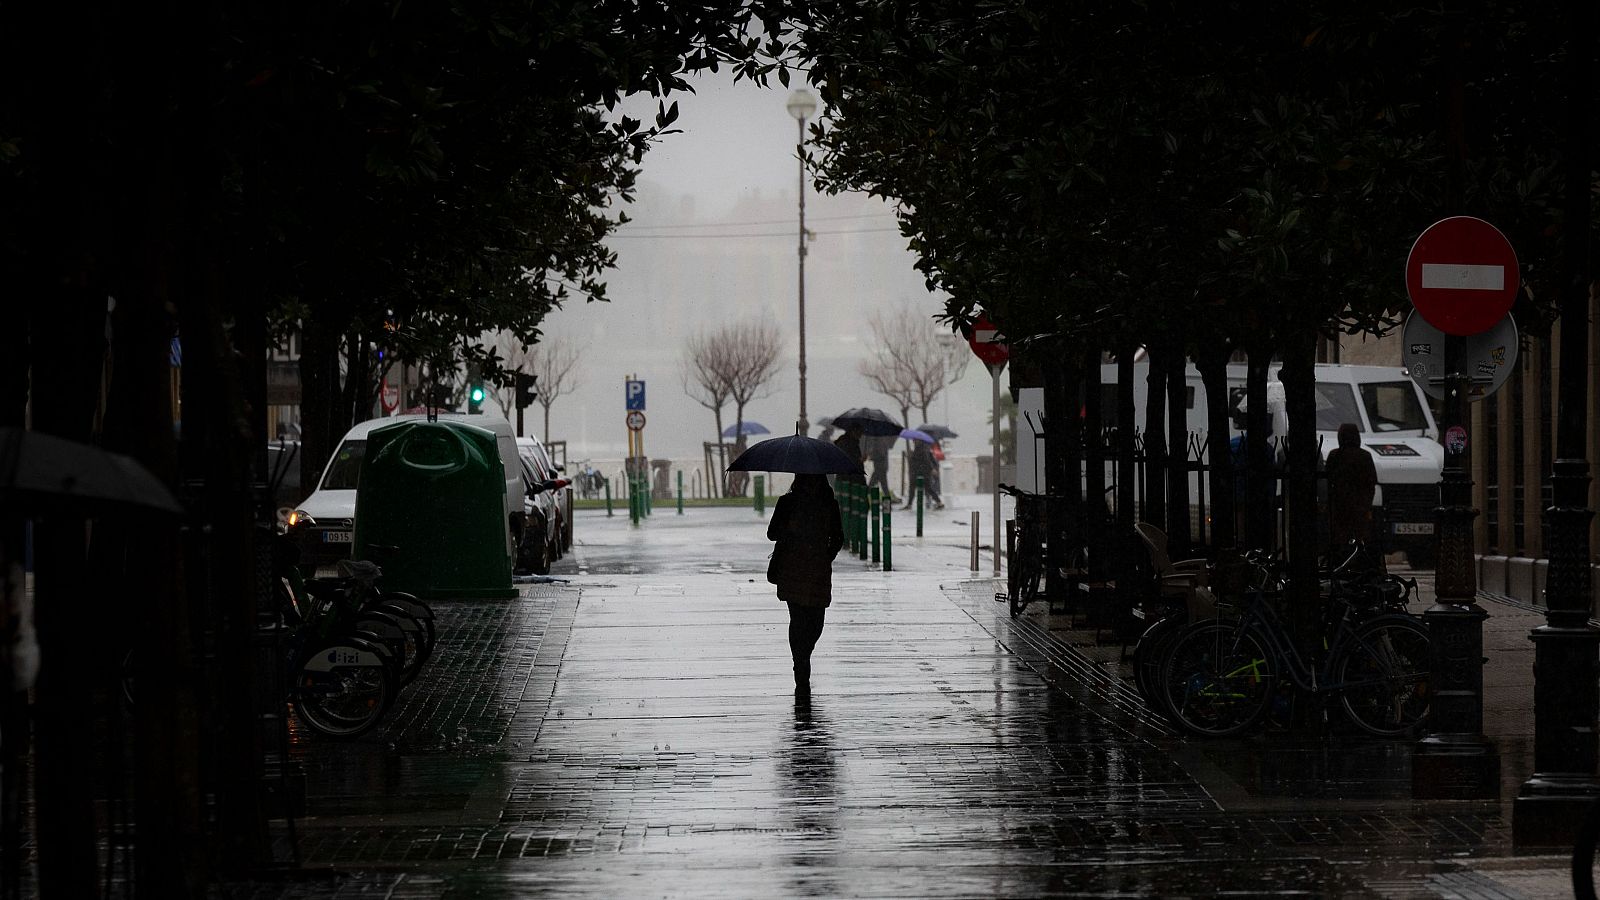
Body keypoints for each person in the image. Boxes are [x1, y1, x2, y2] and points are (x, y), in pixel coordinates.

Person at [766, 474, 846, 693]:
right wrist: (790, 528)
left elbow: (838, 537)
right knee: (799, 617)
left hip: (816, 569)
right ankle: (800, 662)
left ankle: (802, 656)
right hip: (794, 568)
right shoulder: (787, 502)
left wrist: (825, 556)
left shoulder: (829, 505)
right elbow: (772, 533)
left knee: (815, 621)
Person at [1324, 422, 1377, 549]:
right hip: (1360, 507)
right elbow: (1371, 482)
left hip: (1339, 506)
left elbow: (1328, 479)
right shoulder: (1365, 456)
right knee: (1360, 539)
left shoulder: (1335, 455)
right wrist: (1366, 504)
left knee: (1339, 540)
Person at [904, 439, 941, 509]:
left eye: (914, 440)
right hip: (922, 472)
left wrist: (932, 469)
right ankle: (939, 502)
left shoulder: (920, 448)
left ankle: (909, 504)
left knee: (924, 488)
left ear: (918, 440)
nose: (913, 441)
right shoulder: (925, 448)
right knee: (919, 488)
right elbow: (930, 458)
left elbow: (926, 460)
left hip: (921, 472)